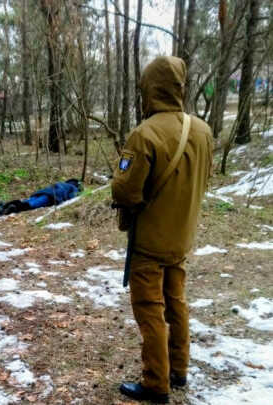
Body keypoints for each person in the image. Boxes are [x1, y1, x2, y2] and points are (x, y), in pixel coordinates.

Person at [111, 56, 213, 403]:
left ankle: (156, 382)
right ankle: (179, 370)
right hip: (181, 237)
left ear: (151, 89)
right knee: (177, 303)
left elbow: (124, 191)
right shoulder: (203, 130)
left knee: (150, 309)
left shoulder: (145, 134)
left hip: (149, 243)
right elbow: (205, 180)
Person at [0, 179, 82, 215]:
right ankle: (10, 210)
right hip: (51, 197)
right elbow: (72, 198)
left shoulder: (61, 183)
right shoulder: (73, 188)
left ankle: (4, 206)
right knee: (30, 204)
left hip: (42, 192)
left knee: (27, 201)